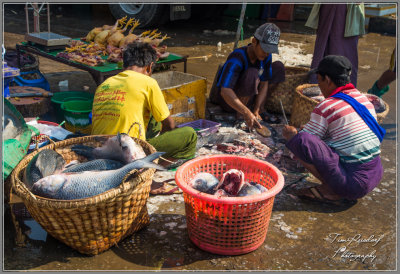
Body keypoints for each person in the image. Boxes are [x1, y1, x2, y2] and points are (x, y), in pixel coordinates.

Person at [282, 55, 384, 204]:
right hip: (375, 174)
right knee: (308, 137)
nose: (319, 85)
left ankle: (331, 190)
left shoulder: (326, 105)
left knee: (300, 140)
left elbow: (307, 140)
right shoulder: (362, 98)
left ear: (327, 80)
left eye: (319, 80)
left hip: (353, 184)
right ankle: (338, 186)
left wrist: (291, 135)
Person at [91, 42, 197, 163]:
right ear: (149, 67)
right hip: (130, 151)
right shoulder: (148, 82)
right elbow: (170, 125)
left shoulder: (104, 84)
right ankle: (157, 166)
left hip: (99, 149)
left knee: (153, 118)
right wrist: (164, 137)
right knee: (190, 135)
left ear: (124, 64)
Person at [210, 22, 285, 130]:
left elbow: (264, 84)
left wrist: (256, 109)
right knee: (252, 73)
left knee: (278, 67)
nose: (267, 54)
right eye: (264, 49)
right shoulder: (237, 57)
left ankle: (259, 110)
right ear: (254, 42)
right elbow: (225, 91)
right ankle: (240, 116)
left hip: (251, 96)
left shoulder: (266, 56)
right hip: (230, 101)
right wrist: (245, 112)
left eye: (269, 51)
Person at [306, 4, 365, 87]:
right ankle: (326, 87)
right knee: (332, 50)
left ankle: (337, 87)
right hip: (336, 8)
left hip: (345, 9)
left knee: (341, 51)